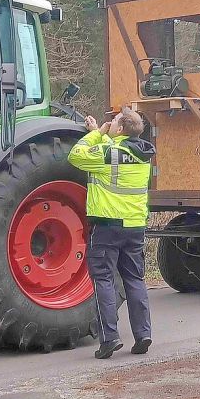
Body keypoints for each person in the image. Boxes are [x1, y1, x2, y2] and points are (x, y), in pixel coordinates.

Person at [68, 108, 156, 359]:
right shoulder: (143, 155)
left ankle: (109, 339)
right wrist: (100, 131)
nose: (111, 122)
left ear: (119, 129)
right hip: (135, 227)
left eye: (114, 121)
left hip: (107, 226)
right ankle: (143, 335)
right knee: (134, 280)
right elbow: (118, 152)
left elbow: (77, 155)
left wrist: (95, 134)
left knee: (104, 280)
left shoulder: (107, 152)